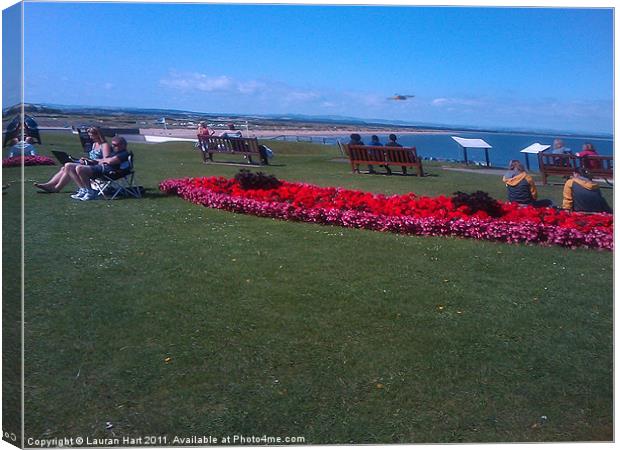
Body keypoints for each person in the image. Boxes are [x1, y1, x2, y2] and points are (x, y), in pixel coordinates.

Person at [34, 127, 111, 194]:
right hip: (90, 164)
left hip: (97, 168)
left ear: (98, 135)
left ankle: (57, 188)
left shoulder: (104, 145)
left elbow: (106, 160)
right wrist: (85, 160)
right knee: (64, 168)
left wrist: (91, 161)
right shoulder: (94, 144)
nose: (90, 138)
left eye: (92, 135)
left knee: (68, 166)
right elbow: (93, 157)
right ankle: (50, 185)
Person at [69, 136, 130, 201]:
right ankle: (83, 190)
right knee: (69, 166)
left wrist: (103, 160)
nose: (112, 146)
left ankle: (90, 192)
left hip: (108, 172)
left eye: (115, 145)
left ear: (123, 145)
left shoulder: (124, 154)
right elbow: (105, 159)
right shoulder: (114, 152)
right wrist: (91, 160)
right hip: (100, 167)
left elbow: (110, 161)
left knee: (80, 168)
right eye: (112, 144)